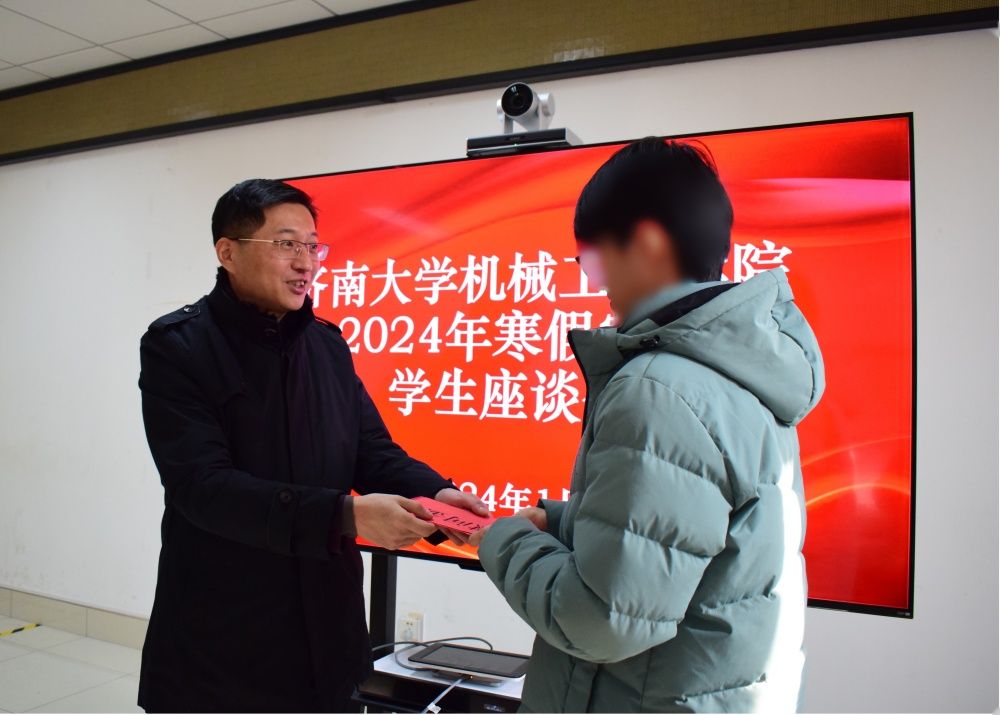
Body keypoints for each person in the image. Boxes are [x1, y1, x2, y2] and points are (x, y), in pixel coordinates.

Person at [470, 138, 825, 712]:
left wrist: (500, 540)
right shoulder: (743, 368)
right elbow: (695, 534)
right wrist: (560, 523)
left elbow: (603, 620)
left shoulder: (655, 390)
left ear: (648, 244)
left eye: (594, 258)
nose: (596, 283)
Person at [137, 178, 487, 712]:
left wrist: (439, 496)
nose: (305, 263)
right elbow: (203, 488)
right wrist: (346, 516)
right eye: (285, 244)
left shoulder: (326, 345)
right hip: (224, 637)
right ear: (227, 252)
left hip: (327, 630)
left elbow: (371, 452)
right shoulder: (178, 347)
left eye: (312, 246)